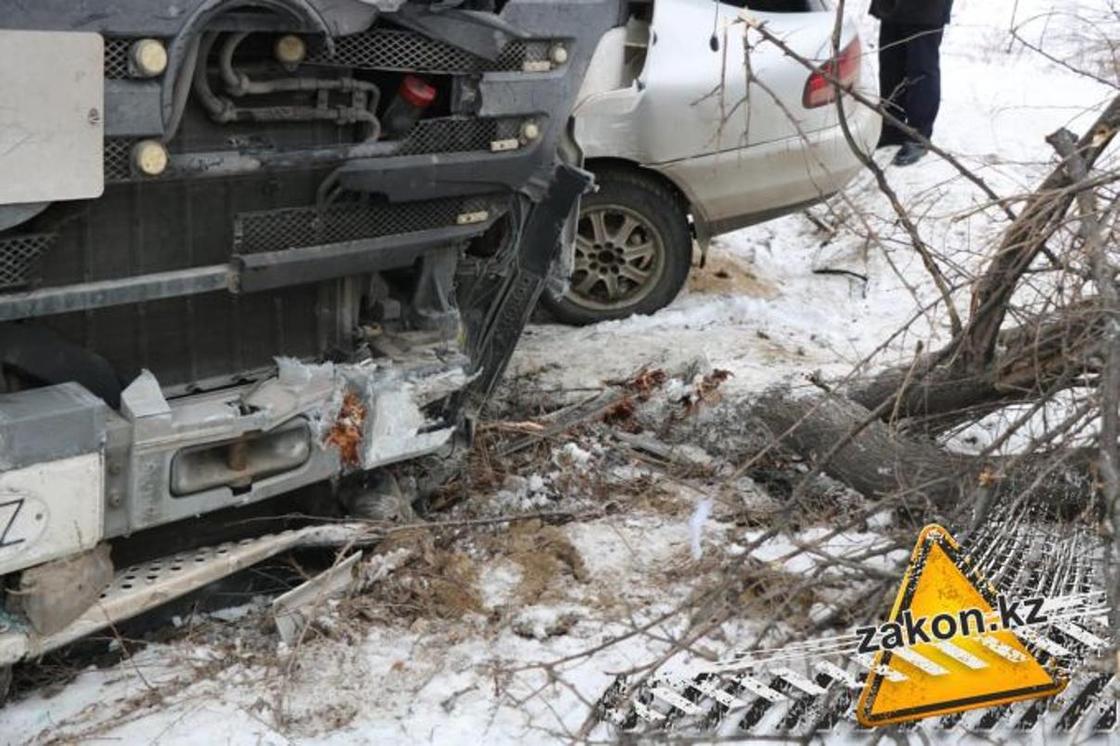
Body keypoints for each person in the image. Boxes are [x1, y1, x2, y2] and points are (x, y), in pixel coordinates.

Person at [870, 0, 953, 166]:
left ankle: (918, 136)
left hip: (927, 9)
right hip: (891, 6)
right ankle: (892, 127)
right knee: (890, 65)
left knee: (921, 69)